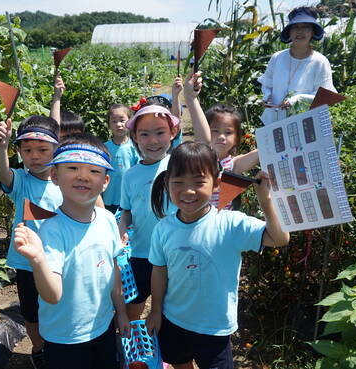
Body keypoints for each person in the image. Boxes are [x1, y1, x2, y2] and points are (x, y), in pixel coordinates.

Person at [146, 142, 290, 369]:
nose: (188, 190)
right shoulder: (164, 229)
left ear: (217, 183)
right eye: (178, 182)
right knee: (179, 362)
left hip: (213, 328)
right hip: (173, 319)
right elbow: (159, 271)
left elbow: (279, 238)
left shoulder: (230, 224)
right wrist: (155, 311)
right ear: (167, 184)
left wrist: (266, 202)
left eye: (198, 182)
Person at [11, 133, 131, 369]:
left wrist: (122, 313)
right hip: (65, 336)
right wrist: (37, 260)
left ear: (105, 181)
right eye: (73, 167)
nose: (83, 176)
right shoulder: (52, 231)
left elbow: (114, 271)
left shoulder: (107, 220)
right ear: (54, 175)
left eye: (94, 171)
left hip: (104, 325)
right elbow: (52, 295)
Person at [0, 115, 62, 369]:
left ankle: (59, 343)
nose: (35, 156)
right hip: (26, 264)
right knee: (32, 313)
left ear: (57, 148)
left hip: (58, 261)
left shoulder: (65, 180)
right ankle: (39, 348)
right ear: (19, 152)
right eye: (27, 150)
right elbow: (3, 172)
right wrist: (1, 147)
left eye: (43, 150)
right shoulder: (21, 181)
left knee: (58, 304)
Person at [118, 104, 179, 320]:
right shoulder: (130, 175)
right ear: (134, 136)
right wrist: (121, 231)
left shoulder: (178, 166)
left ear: (173, 133)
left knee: (170, 307)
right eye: (144, 134)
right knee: (134, 303)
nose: (153, 141)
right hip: (141, 252)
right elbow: (126, 211)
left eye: (160, 132)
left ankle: (165, 348)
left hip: (174, 252)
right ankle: (129, 341)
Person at [184, 72, 260, 210]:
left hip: (223, 225)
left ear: (237, 138)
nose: (221, 136)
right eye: (215, 130)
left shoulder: (233, 165)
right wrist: (191, 98)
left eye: (229, 132)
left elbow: (262, 152)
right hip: (200, 220)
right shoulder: (201, 158)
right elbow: (204, 139)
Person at [258, 6, 336, 124]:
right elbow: (267, 85)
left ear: (312, 32)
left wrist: (297, 99)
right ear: (289, 32)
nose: (300, 31)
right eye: (295, 27)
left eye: (305, 27)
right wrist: (267, 97)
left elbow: (325, 97)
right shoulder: (277, 57)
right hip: (273, 122)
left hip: (303, 124)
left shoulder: (320, 62)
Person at [103, 104, 140, 214]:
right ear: (108, 124)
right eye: (114, 121)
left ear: (130, 122)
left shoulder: (135, 147)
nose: (118, 124)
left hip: (128, 199)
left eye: (122, 120)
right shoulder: (104, 148)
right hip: (108, 198)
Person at [50, 73, 85, 140]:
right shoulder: (56, 148)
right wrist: (57, 97)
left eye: (76, 136)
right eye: (65, 137)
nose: (70, 140)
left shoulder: (83, 148)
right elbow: (54, 126)